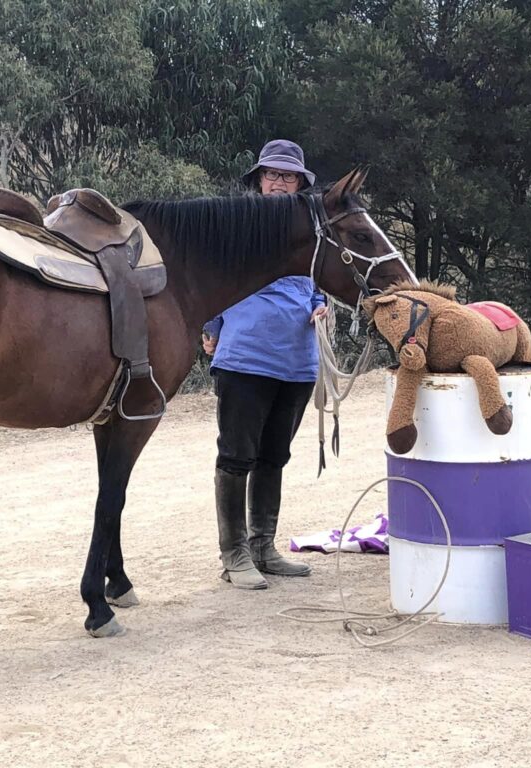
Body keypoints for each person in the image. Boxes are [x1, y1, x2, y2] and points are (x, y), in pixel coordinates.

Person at [202, 139, 329, 590]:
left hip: (297, 362)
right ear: (259, 181)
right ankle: (233, 554)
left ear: (299, 184)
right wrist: (211, 326)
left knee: (274, 455)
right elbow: (211, 279)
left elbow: (317, 282)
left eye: (287, 175)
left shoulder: (309, 233)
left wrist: (320, 306)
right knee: (237, 456)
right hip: (245, 356)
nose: (278, 181)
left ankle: (263, 547)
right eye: (271, 174)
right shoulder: (238, 228)